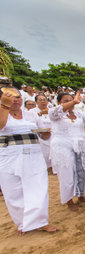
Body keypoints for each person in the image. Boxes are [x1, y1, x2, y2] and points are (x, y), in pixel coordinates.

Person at [0, 86, 57, 234]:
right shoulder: (2, 112)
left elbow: (42, 133)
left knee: (38, 188)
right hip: (9, 156)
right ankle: (22, 223)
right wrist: (4, 107)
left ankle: (40, 221)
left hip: (34, 154)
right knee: (13, 191)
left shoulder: (30, 114)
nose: (15, 100)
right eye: (10, 96)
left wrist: (46, 134)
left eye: (18, 96)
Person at [49, 91, 85, 211]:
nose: (71, 103)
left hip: (79, 145)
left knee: (82, 171)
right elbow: (55, 113)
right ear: (59, 103)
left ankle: (81, 195)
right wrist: (73, 101)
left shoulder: (79, 113)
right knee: (67, 174)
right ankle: (69, 201)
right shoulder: (55, 113)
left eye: (72, 100)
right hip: (62, 146)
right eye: (66, 101)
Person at [31, 94, 53, 173]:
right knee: (44, 152)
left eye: (44, 100)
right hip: (39, 136)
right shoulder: (32, 112)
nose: (43, 102)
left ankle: (53, 168)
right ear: (36, 102)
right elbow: (31, 125)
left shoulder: (51, 110)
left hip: (53, 134)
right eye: (40, 100)